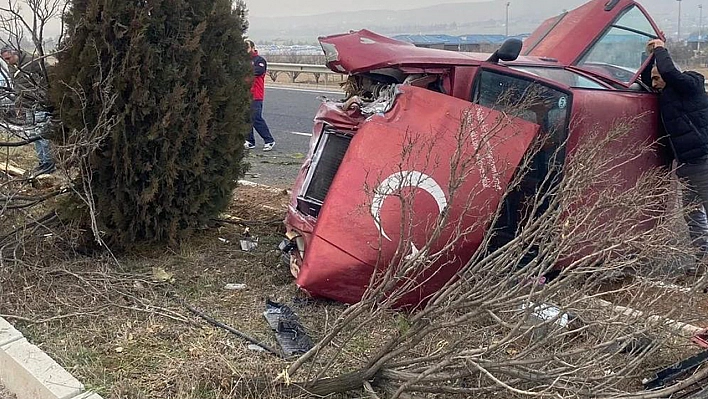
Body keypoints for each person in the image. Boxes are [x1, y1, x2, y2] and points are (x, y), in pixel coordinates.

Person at [647, 39, 708, 260]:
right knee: (693, 218)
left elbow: (671, 73)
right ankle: (703, 265)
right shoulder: (667, 97)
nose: (653, 84)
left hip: (703, 161)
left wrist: (660, 49)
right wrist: (650, 60)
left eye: (657, 78)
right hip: (686, 167)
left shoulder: (690, 85)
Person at [0, 44, 55, 176]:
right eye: (5, 60)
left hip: (40, 103)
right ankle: (42, 162)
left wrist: (47, 94)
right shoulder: (11, 66)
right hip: (26, 105)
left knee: (42, 134)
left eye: (8, 58)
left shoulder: (32, 61)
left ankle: (49, 163)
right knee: (33, 135)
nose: (7, 62)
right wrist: (19, 106)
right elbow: (18, 88)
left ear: (15, 53)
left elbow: (50, 74)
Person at [244, 40, 275, 152]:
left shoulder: (259, 60)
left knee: (256, 117)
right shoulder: (242, 60)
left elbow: (258, 71)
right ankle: (250, 141)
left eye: (247, 47)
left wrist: (244, 70)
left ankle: (269, 140)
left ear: (252, 48)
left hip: (256, 94)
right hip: (245, 94)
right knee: (246, 118)